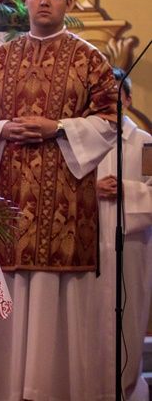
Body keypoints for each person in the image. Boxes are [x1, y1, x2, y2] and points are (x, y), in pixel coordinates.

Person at [0, 0, 119, 401]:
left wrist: (60, 128)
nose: (44, 1)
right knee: (10, 301)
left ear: (67, 4)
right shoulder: (0, 59)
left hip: (65, 206)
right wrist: (3, 130)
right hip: (9, 200)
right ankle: (8, 392)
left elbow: (109, 120)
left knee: (58, 301)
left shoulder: (89, 59)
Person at [93, 68, 152, 400]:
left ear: (127, 99)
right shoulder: (87, 144)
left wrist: (126, 191)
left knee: (128, 318)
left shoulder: (145, 143)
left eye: (115, 95)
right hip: (93, 244)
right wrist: (91, 190)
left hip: (132, 245)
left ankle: (127, 388)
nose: (108, 103)